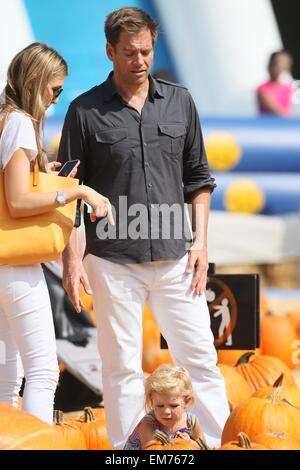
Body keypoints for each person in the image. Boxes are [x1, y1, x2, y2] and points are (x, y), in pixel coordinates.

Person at [58, 7, 229, 448]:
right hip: (113, 262)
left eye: (146, 51)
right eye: (130, 52)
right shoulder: (84, 111)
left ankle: (217, 443)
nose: (140, 60)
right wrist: (73, 260)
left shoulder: (180, 101)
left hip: (178, 258)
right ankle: (128, 453)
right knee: (121, 367)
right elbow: (72, 195)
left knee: (201, 360)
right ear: (110, 51)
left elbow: (200, 180)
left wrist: (202, 245)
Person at [0, 42, 112, 425]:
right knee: (43, 372)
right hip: (16, 265)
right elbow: (16, 201)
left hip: (5, 265)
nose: (56, 98)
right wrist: (74, 190)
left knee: (7, 379)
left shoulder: (4, 119)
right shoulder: (19, 123)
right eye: (55, 89)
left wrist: (48, 180)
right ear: (36, 82)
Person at [124, 364, 206, 450]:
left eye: (173, 406)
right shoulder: (147, 425)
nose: (166, 411)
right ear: (152, 401)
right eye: (160, 406)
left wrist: (191, 443)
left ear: (187, 401)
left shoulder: (191, 422)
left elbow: (203, 447)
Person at [256, 50, 294, 117]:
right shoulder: (263, 89)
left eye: (285, 64)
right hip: (268, 126)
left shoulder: (288, 88)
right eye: (277, 64)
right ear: (269, 66)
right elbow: (278, 112)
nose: (280, 68)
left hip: (285, 126)